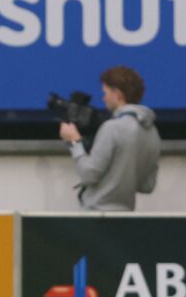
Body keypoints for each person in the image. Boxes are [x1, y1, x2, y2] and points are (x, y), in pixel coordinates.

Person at [59, 66, 161, 211]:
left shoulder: (112, 128)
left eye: (105, 93)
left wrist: (74, 141)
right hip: (125, 216)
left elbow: (89, 174)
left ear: (117, 94)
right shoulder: (152, 132)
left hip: (97, 216)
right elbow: (147, 185)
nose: (103, 98)